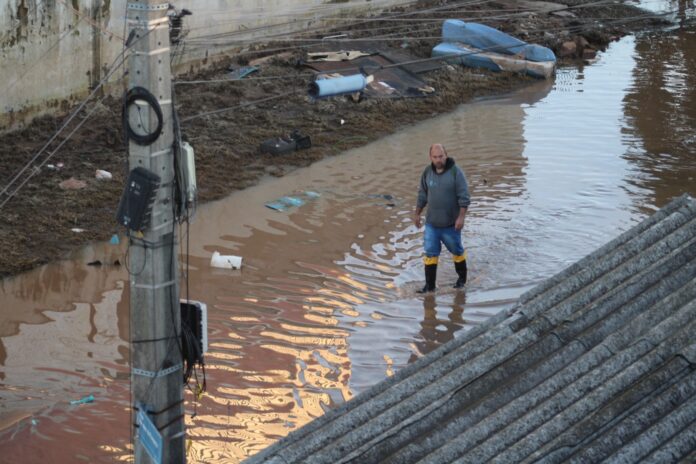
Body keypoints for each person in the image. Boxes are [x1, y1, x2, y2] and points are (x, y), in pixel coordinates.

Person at [413, 144, 470, 293]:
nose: (438, 160)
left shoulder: (455, 172)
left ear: (446, 155)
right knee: (430, 253)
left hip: (451, 224)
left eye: (441, 156)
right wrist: (417, 213)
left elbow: (464, 197)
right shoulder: (427, 172)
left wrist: (461, 218)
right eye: (435, 157)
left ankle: (462, 280)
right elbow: (422, 195)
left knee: (457, 251)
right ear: (430, 157)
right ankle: (429, 286)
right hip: (432, 224)